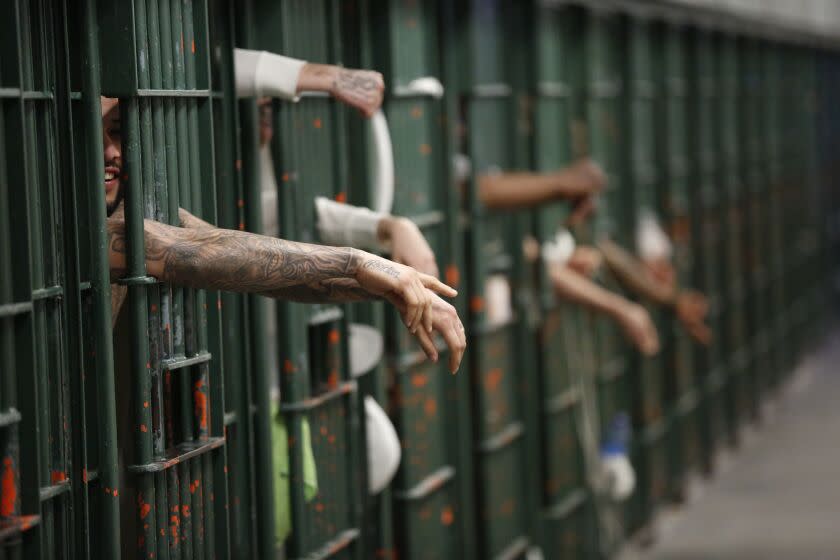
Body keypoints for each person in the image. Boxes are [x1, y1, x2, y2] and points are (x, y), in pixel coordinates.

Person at [477, 159, 660, 355]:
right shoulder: (533, 226)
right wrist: (621, 309)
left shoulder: (560, 234)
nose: (591, 208)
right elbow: (543, 268)